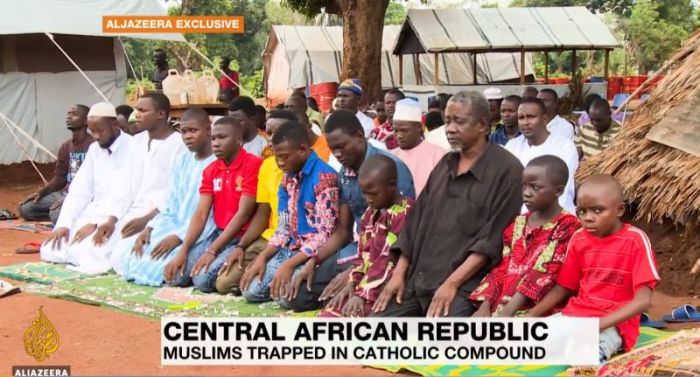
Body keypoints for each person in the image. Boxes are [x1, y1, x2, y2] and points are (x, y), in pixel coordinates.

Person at [372, 90, 523, 317]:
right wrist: (399, 273)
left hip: (464, 284)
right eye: (447, 121)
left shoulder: (508, 170)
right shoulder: (445, 163)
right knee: (375, 331)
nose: (449, 129)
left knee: (443, 345)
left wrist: (452, 283)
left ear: (482, 124)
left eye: (459, 122)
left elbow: (491, 240)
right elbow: (415, 222)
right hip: (419, 276)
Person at [281, 110, 416, 313]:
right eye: (332, 148)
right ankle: (338, 296)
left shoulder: (391, 168)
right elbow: (343, 231)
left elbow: (401, 236)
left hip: (386, 255)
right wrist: (313, 261)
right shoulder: (345, 173)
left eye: (341, 147)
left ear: (359, 136)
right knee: (296, 297)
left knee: (350, 300)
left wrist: (355, 276)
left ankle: (349, 297)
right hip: (357, 249)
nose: (337, 154)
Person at [527, 174, 659, 364]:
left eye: (598, 210)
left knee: (583, 359)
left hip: (614, 324)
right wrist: (531, 318)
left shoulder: (636, 240)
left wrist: (598, 325)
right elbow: (563, 288)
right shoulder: (579, 238)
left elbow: (643, 301)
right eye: (581, 211)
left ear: (619, 210)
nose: (588, 218)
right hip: (577, 315)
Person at [240, 121, 339, 305]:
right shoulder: (287, 180)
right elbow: (283, 228)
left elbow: (327, 233)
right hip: (290, 249)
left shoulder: (324, 178)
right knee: (250, 292)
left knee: (286, 299)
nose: (280, 163)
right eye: (277, 157)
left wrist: (289, 265)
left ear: (302, 149)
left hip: (314, 254)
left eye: (284, 157)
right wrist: (263, 256)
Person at [470, 156, 580, 317]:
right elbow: (502, 268)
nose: (527, 193)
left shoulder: (568, 226)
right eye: (524, 186)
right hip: (501, 307)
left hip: (537, 311)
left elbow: (544, 273)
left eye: (535, 187)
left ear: (559, 190)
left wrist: (507, 314)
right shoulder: (518, 223)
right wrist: (485, 306)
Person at [164, 117, 262, 292]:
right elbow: (201, 213)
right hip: (218, 233)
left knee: (202, 281)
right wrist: (184, 250)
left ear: (239, 140)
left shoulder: (252, 164)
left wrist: (211, 251)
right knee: (175, 277)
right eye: (213, 138)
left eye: (222, 137)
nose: (216, 143)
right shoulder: (211, 170)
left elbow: (243, 213)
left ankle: (244, 270)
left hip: (242, 236)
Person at [119, 108, 216, 286]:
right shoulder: (182, 161)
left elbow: (210, 216)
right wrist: (150, 227)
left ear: (208, 130)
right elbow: (171, 204)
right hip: (174, 223)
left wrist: (180, 237)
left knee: (172, 272)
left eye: (193, 130)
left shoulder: (217, 163)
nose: (187, 136)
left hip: (203, 231)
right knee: (130, 252)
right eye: (184, 131)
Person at [40, 102, 134, 274]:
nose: (96, 136)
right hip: (95, 211)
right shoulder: (94, 149)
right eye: (93, 132)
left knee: (94, 252)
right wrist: (64, 224)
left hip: (119, 216)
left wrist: (98, 223)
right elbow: (79, 191)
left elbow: (128, 193)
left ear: (114, 125)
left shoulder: (134, 148)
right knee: (50, 248)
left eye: (100, 131)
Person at [215, 110, 298, 295]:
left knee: (252, 292)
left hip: (296, 242)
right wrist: (241, 247)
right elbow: (262, 213)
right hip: (269, 238)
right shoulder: (267, 165)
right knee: (223, 283)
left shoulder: (305, 165)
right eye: (269, 133)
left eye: (280, 133)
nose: (273, 138)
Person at [321, 155, 414, 317]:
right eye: (364, 194)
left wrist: (362, 294)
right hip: (368, 284)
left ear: (391, 185)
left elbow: (388, 261)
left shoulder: (404, 214)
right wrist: (352, 283)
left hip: (390, 285)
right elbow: (363, 256)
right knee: (330, 311)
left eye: (373, 194)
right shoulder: (370, 214)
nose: (368, 199)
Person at [109, 93, 187, 274]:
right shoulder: (136, 142)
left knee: (120, 257)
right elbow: (125, 185)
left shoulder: (179, 145)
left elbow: (177, 192)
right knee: (89, 248)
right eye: (136, 109)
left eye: (142, 110)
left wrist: (147, 220)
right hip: (131, 210)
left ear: (160, 114)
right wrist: (112, 217)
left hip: (161, 215)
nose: (136, 114)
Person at [19, 105, 94, 225]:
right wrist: (41, 192)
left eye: (74, 114)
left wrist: (70, 199)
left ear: (86, 121)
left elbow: (96, 183)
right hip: (64, 194)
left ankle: (65, 214)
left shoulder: (94, 145)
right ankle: (64, 213)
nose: (68, 117)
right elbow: (60, 178)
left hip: (83, 196)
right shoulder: (66, 146)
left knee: (56, 215)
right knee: (26, 208)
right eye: (68, 114)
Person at [504, 98, 579, 214]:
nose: (525, 122)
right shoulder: (512, 146)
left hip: (556, 216)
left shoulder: (564, 146)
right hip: (517, 216)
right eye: (521, 118)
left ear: (544, 119)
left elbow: (563, 190)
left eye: (530, 117)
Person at [391, 99, 446, 195]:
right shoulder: (391, 156)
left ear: (420, 127)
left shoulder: (438, 154)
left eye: (404, 130)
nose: (399, 135)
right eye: (396, 130)